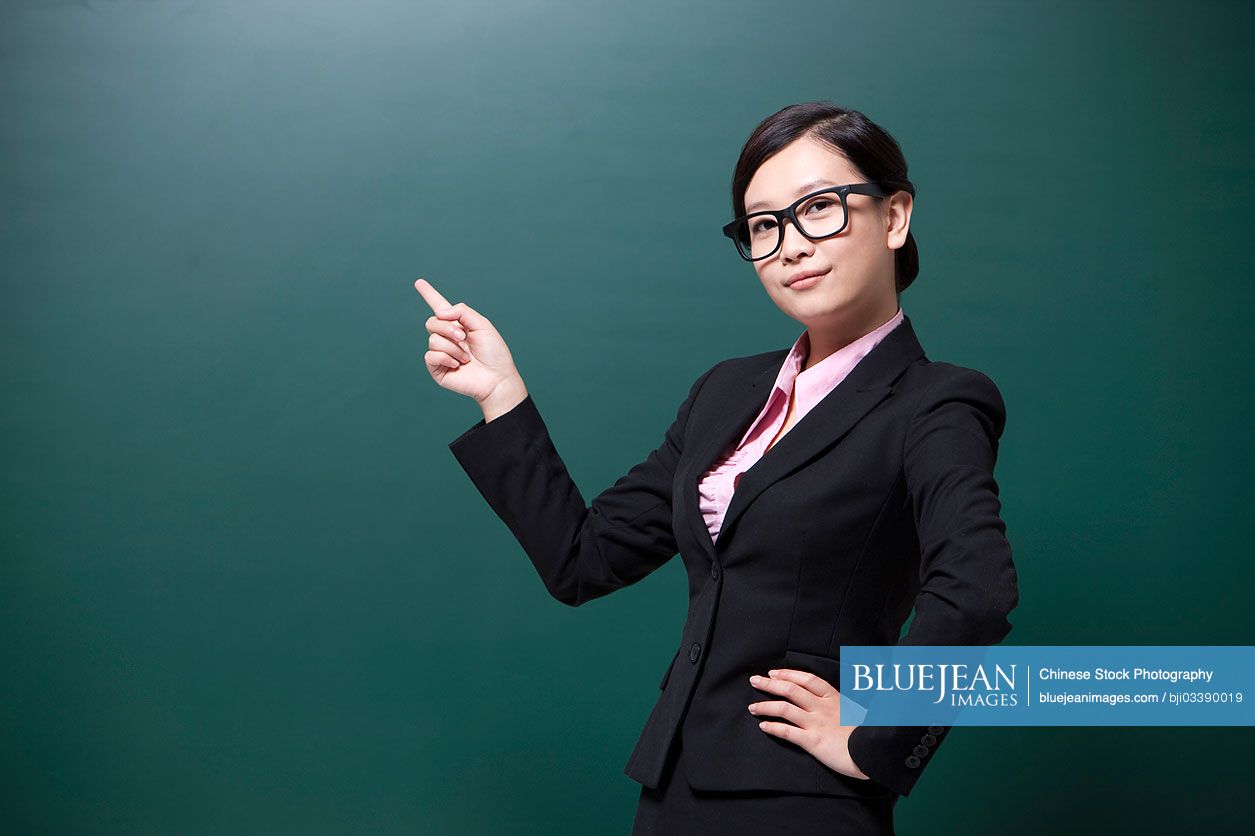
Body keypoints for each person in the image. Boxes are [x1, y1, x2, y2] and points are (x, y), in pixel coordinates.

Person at [416, 101, 1019, 835]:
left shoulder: (936, 401)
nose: (791, 245)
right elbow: (583, 560)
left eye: (819, 208)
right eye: (764, 225)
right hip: (673, 787)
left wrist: (876, 737)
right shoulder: (724, 391)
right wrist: (501, 396)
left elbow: (976, 592)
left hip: (802, 799)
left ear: (893, 217)